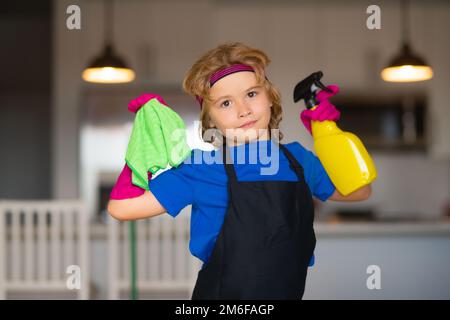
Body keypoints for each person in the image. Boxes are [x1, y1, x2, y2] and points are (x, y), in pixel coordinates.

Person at [107, 42, 372, 299]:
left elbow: (359, 191)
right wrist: (144, 142)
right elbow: (121, 208)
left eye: (252, 94)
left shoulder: (299, 160)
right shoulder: (201, 169)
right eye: (225, 103)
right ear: (210, 118)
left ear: (270, 97)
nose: (244, 110)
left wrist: (328, 132)